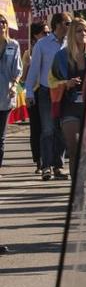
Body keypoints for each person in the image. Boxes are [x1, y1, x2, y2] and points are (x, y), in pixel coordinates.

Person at [25, 12, 71, 181]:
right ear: (57, 24)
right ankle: (46, 166)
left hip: (66, 91)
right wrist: (29, 92)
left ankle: (58, 166)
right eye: (67, 23)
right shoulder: (42, 44)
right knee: (47, 129)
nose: (70, 26)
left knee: (62, 129)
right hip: (46, 92)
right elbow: (34, 69)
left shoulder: (71, 43)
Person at [49, 18, 86, 181]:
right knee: (73, 147)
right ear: (72, 34)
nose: (84, 34)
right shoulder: (61, 56)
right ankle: (77, 186)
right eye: (79, 31)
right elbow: (51, 82)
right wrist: (66, 83)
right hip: (69, 106)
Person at [21, 21, 49, 173]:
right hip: (33, 92)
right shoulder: (28, 53)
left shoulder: (51, 48)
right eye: (44, 33)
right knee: (36, 127)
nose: (47, 35)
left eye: (48, 32)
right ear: (35, 36)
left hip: (47, 90)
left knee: (48, 127)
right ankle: (38, 160)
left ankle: (49, 159)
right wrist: (28, 65)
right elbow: (23, 78)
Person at [0, 14, 22, 174]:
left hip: (5, 96)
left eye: (3, 22)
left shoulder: (13, 45)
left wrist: (14, 85)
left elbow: (18, 70)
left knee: (0, 137)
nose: (1, 25)